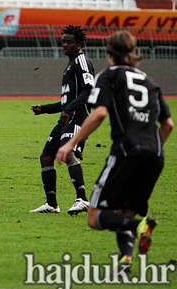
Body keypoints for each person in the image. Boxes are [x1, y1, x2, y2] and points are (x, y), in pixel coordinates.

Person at [57, 30, 173, 273]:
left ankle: (140, 225)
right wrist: (153, 150)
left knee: (94, 217)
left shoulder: (109, 75)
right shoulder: (149, 81)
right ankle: (126, 261)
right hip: (155, 154)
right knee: (124, 210)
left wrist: (70, 143)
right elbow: (168, 124)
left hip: (127, 151)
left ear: (109, 54)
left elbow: (99, 113)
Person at [30, 25, 95, 214]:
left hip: (78, 117)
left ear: (79, 43)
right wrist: (45, 109)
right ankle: (51, 204)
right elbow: (67, 100)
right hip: (67, 117)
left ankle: (83, 199)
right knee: (47, 157)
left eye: (69, 42)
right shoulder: (70, 64)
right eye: (63, 41)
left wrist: (69, 110)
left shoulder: (82, 62)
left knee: (67, 153)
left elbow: (89, 90)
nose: (65, 45)